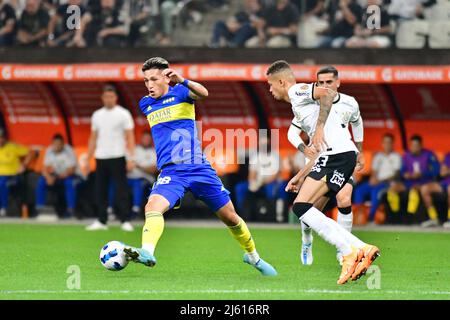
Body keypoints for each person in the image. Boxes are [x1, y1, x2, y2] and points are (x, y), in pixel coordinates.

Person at [122, 57, 277, 277]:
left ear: (167, 77)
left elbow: (204, 93)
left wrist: (182, 80)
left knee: (231, 218)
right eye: (146, 80)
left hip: (198, 167)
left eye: (154, 79)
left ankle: (254, 257)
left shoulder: (181, 93)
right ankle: (147, 252)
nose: (149, 85)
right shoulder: (145, 103)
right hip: (171, 171)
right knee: (152, 207)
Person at [266, 60, 379, 284]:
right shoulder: (300, 107)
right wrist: (299, 176)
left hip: (336, 155)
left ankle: (348, 251)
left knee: (300, 206)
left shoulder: (297, 91)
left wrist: (318, 128)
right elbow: (312, 145)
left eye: (270, 84)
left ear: (281, 81)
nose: (270, 90)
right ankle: (360, 247)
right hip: (342, 155)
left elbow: (326, 93)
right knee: (307, 206)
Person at [287, 65, 365, 266]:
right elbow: (291, 133)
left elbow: (357, 122)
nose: (324, 86)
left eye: (329, 82)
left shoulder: (349, 103)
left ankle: (344, 252)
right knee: (309, 209)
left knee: (344, 197)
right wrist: (305, 150)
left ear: (338, 82)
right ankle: (306, 239)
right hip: (318, 160)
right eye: (320, 83)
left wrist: (360, 150)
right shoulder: (310, 105)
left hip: (341, 156)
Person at [85, 84, 135, 232]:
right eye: (106, 96)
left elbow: (130, 136)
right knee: (100, 190)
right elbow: (93, 138)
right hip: (101, 156)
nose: (108, 99)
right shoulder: (97, 115)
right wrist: (88, 158)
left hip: (118, 155)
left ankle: (125, 220)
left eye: (111, 96)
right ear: (102, 98)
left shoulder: (123, 114)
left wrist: (131, 157)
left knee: (121, 190)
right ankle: (101, 220)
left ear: (116, 98)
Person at [386, 135, 439, 221]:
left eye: (416, 146)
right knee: (392, 190)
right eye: (412, 146)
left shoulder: (429, 155)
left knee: (414, 191)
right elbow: (402, 171)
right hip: (409, 182)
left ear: (421, 146)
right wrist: (405, 174)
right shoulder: (406, 155)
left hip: (424, 182)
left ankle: (416, 217)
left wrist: (422, 174)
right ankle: (395, 216)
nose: (413, 148)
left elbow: (436, 170)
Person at [353, 133, 402, 223]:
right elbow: (374, 171)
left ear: (392, 144)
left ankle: (371, 218)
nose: (387, 145)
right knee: (359, 190)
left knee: (375, 192)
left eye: (389, 142)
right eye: (385, 142)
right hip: (376, 182)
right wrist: (373, 179)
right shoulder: (378, 156)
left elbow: (396, 174)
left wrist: (379, 180)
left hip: (387, 183)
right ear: (382, 143)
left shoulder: (396, 156)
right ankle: (359, 215)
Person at [234, 135, 285, 220]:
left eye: (266, 144)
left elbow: (274, 175)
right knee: (240, 187)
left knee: (271, 189)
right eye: (262, 144)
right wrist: (252, 182)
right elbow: (252, 173)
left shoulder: (275, 156)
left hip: (270, 183)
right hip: (258, 183)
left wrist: (261, 182)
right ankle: (242, 214)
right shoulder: (256, 156)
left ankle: (271, 217)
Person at [35, 134, 78, 218]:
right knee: (41, 181)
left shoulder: (69, 151)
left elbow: (71, 170)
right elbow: (45, 168)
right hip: (56, 175)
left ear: (63, 144)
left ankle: (71, 210)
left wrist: (55, 178)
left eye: (59, 144)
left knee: (70, 183)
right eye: (55, 144)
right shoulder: (49, 150)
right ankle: (40, 208)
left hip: (69, 175)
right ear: (52, 144)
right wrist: (48, 177)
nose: (57, 146)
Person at [0, 129, 32, 216]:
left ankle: (3, 208)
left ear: (5, 138)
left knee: (2, 183)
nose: (0, 140)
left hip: (12, 177)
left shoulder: (13, 147)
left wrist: (24, 165)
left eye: (1, 138)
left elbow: (30, 152)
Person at [126, 130, 157, 216]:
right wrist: (130, 166)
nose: (146, 140)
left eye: (148, 139)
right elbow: (128, 167)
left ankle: (136, 209)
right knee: (115, 183)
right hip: (129, 177)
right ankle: (112, 209)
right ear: (141, 139)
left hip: (146, 179)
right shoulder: (134, 149)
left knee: (138, 183)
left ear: (151, 140)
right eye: (145, 138)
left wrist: (138, 166)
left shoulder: (154, 152)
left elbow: (153, 170)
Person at [420, 152, 450, 228]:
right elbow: (442, 173)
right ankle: (433, 218)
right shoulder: (448, 156)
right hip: (445, 183)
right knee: (425, 189)